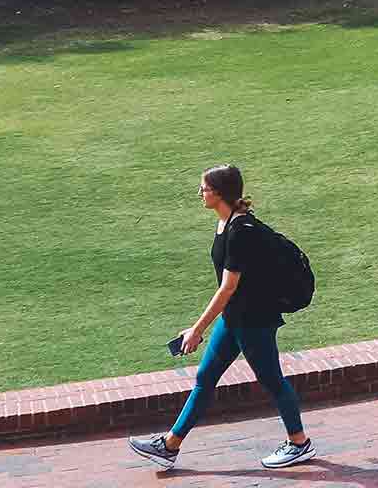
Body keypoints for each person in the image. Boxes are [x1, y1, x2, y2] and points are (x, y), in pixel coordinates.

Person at [128, 165, 317, 471]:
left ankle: (299, 443)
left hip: (254, 319)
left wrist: (197, 329)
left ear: (217, 193)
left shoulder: (240, 231)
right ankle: (170, 446)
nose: (199, 193)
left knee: (272, 381)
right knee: (205, 378)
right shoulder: (225, 224)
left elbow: (228, 288)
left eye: (202, 188)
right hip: (234, 318)